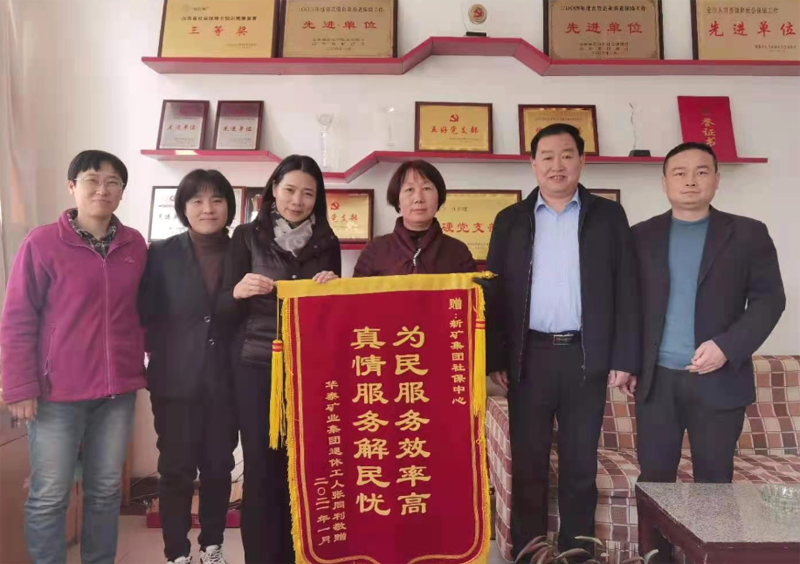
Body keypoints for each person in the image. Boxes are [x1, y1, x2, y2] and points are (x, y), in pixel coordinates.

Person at [485, 124, 640, 558]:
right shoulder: (510, 220)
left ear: (582, 161)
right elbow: (494, 292)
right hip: (527, 358)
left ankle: (577, 553)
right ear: (533, 164)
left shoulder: (608, 216)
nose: (558, 165)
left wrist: (625, 356)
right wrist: (496, 357)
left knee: (579, 466)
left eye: (567, 155)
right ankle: (529, 552)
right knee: (529, 464)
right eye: (548, 156)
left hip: (585, 356)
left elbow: (627, 287)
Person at [0, 150, 147, 564]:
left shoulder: (135, 245)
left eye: (113, 182)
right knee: (50, 494)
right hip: (56, 394)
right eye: (91, 180)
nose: (102, 189)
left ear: (122, 192)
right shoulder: (42, 242)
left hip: (116, 394)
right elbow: (17, 317)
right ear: (72, 187)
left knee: (105, 492)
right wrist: (19, 386)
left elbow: (146, 309)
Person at [633, 142, 785, 486]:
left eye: (701, 172)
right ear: (664, 182)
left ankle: (707, 529)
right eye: (679, 173)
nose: (690, 181)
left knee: (715, 484)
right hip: (656, 381)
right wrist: (627, 362)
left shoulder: (748, 234)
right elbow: (627, 304)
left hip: (719, 379)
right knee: (655, 481)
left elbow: (770, 300)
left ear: (717, 179)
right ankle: (656, 528)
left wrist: (726, 347)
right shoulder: (640, 236)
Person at [218, 155, 341, 564]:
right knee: (259, 466)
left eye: (308, 193)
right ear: (273, 189)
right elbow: (222, 309)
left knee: (301, 466)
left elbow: (331, 319)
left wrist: (333, 291)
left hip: (307, 370)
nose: (297, 200)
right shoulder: (245, 237)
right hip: (255, 367)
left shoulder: (327, 241)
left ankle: (295, 554)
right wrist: (238, 291)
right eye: (289, 190)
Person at [139, 170, 239, 564]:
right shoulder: (161, 252)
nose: (207, 208)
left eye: (216, 199)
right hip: (174, 381)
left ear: (229, 206)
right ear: (183, 208)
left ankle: (212, 546)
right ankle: (176, 553)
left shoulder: (242, 250)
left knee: (218, 467)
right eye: (197, 200)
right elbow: (146, 310)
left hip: (227, 381)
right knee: (176, 470)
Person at [353, 160, 476, 276]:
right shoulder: (375, 250)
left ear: (439, 197)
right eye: (409, 189)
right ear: (398, 200)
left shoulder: (458, 251)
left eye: (426, 188)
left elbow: (474, 291)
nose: (418, 198)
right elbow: (355, 291)